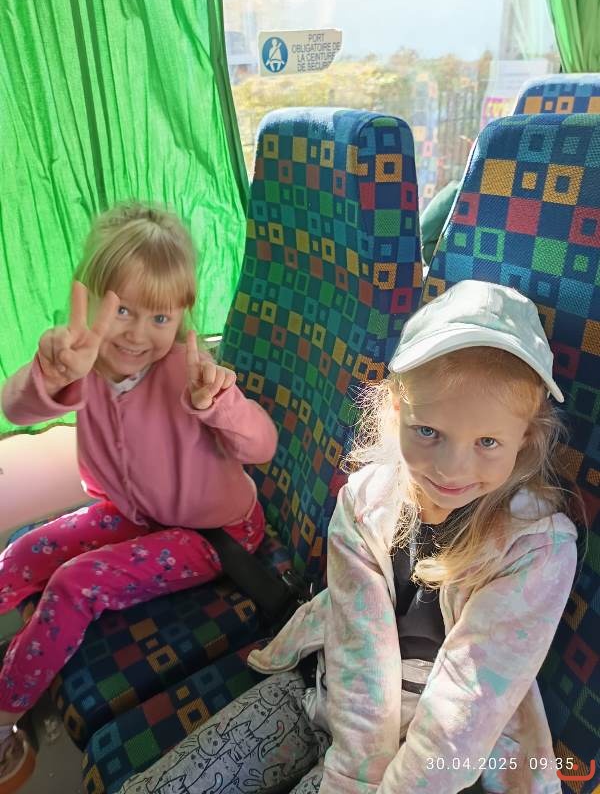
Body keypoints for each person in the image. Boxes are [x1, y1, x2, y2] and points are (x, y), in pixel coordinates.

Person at [116, 280, 579, 794]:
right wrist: (349, 777)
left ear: (525, 439)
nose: (451, 469)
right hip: (325, 688)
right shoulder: (363, 502)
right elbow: (361, 658)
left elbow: (465, 708)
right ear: (396, 411)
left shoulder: (535, 548)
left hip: (432, 758)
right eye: (428, 432)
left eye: (487, 442)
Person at [0, 203, 278, 792]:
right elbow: (16, 408)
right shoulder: (82, 364)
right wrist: (50, 375)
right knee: (20, 554)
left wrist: (220, 405)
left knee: (74, 584)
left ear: (180, 316)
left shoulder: (189, 372)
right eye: (122, 310)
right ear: (92, 300)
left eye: (159, 317)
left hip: (214, 534)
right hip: (136, 514)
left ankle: (3, 716)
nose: (135, 333)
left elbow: (262, 445)